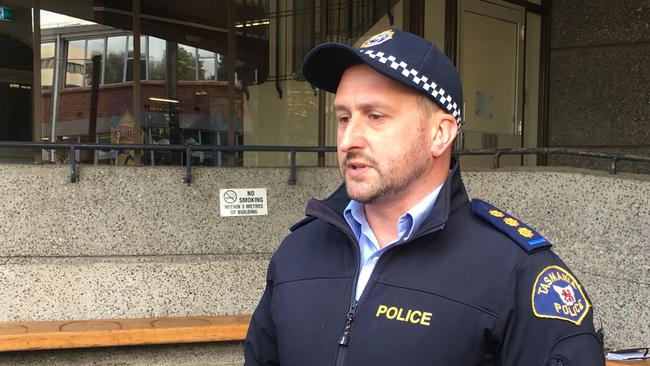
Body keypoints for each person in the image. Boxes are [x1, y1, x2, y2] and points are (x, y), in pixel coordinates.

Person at [245, 29, 604, 365]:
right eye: (343, 118)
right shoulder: (298, 252)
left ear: (440, 134)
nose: (348, 140)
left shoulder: (517, 273)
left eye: (375, 116)